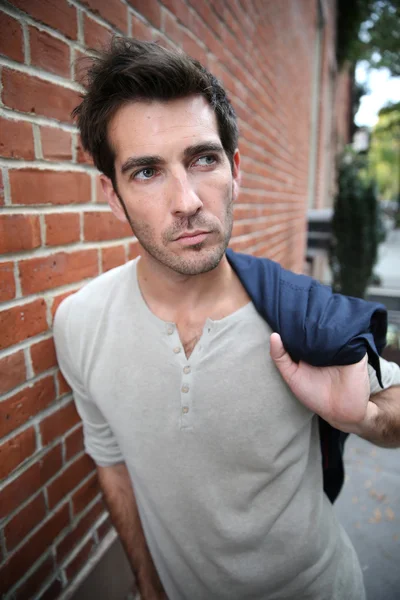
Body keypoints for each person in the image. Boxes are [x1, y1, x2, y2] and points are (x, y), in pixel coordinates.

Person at [54, 38, 400, 600]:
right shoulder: (80, 325)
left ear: (234, 170)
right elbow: (112, 464)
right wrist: (147, 583)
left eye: (203, 159)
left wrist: (361, 413)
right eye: (146, 172)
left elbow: (396, 410)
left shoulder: (298, 313)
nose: (187, 199)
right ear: (113, 197)